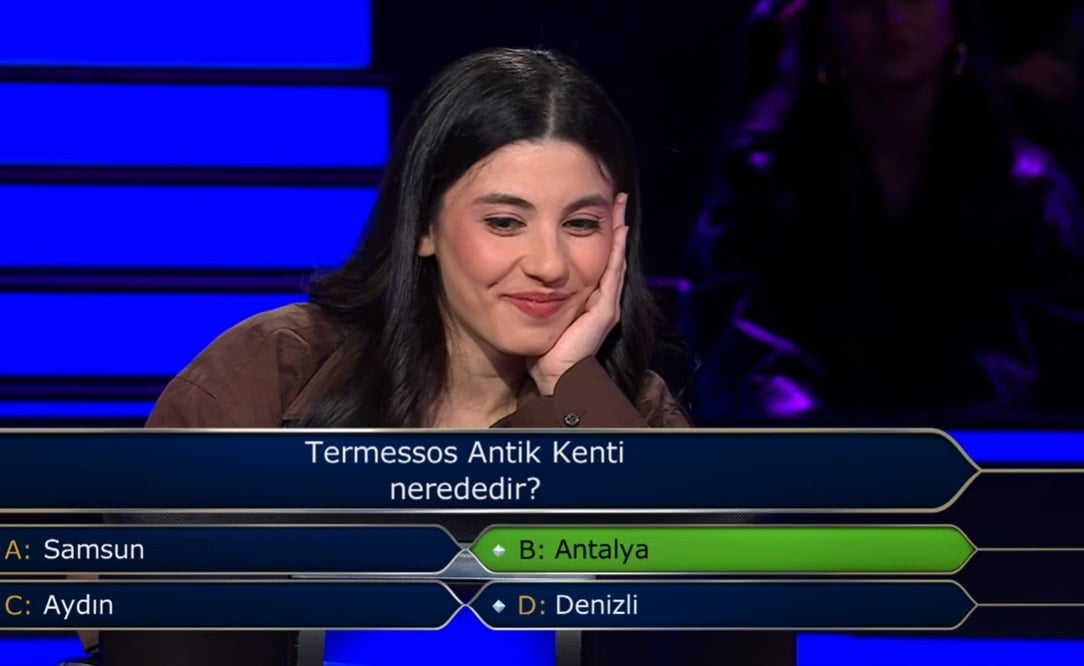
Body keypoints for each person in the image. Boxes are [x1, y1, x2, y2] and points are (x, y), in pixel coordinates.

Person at [88, 47, 704, 666]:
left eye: (581, 225)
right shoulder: (276, 369)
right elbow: (147, 621)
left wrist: (569, 391)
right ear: (424, 227)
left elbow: (705, 627)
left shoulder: (632, 412)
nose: (549, 264)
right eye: (504, 222)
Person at [689, 0, 1084, 420]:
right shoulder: (760, 181)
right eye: (861, 1)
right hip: (808, 451)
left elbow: (1049, 355)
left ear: (955, 20)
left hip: (985, 451)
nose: (892, 16)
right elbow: (736, 341)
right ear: (825, 26)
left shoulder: (1027, 189)